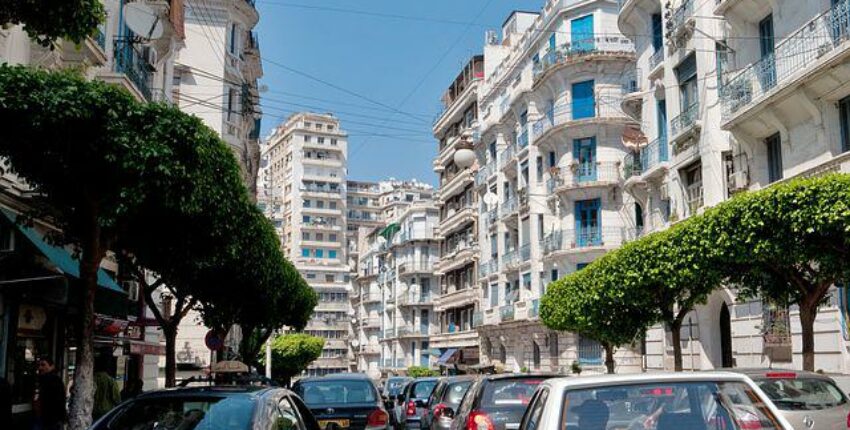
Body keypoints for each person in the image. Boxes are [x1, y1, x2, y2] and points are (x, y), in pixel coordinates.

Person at [33, 357, 66, 430]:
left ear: (52, 366)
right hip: (43, 419)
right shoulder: (42, 380)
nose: (40, 367)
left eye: (43, 365)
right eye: (39, 365)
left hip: (50, 421)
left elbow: (58, 401)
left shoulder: (54, 380)